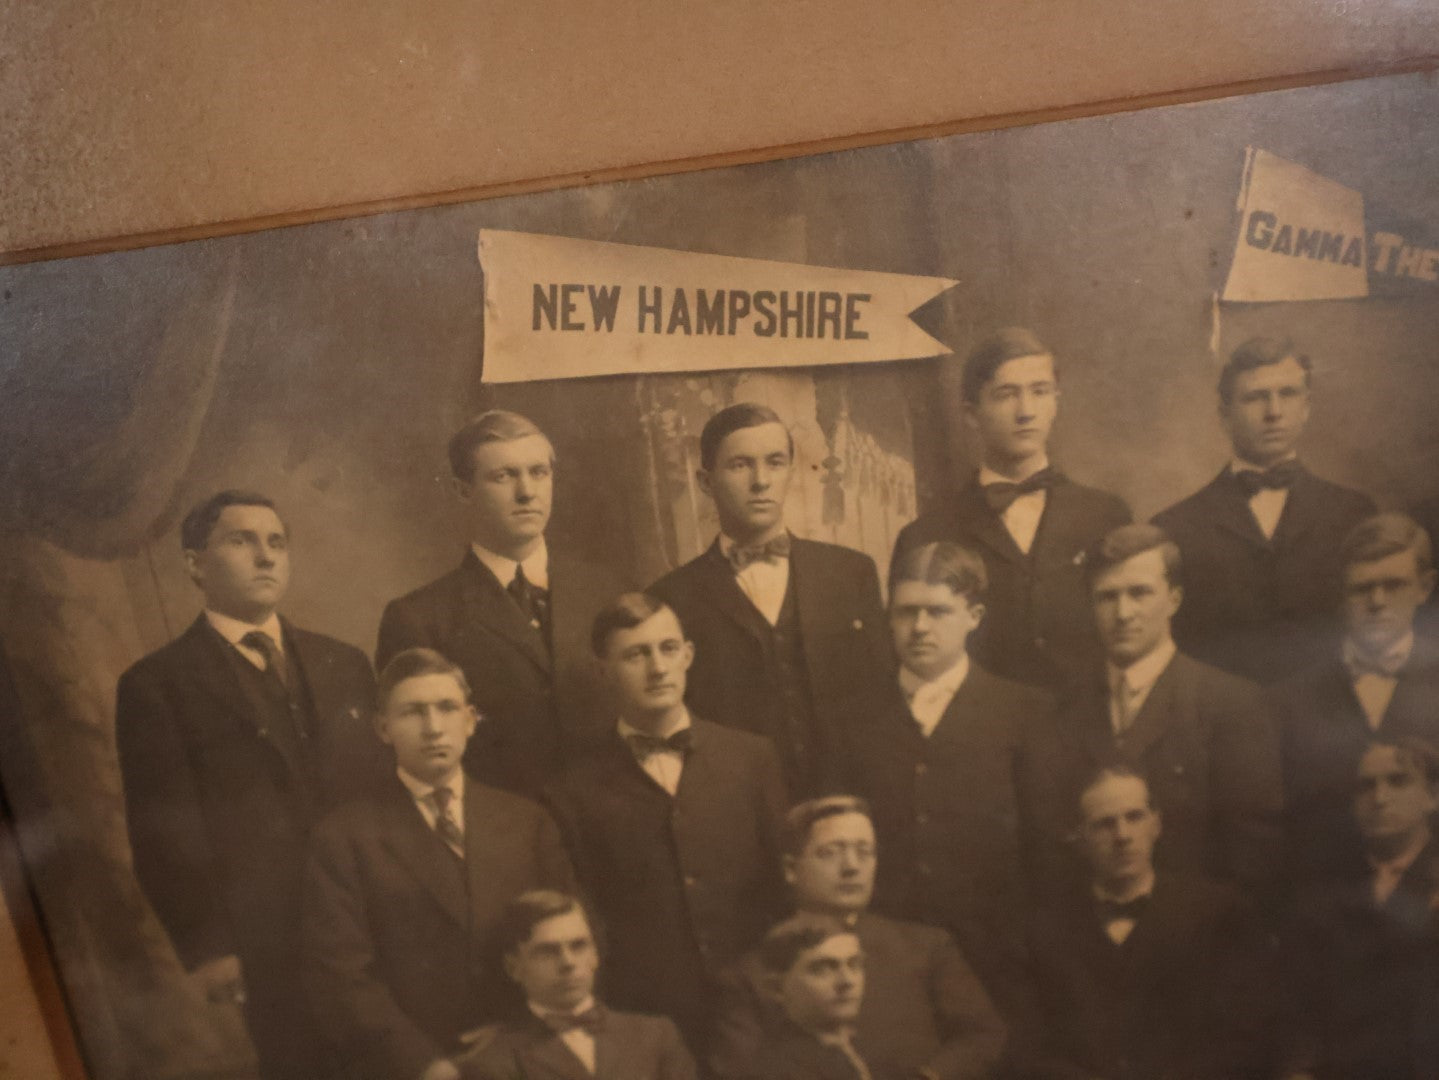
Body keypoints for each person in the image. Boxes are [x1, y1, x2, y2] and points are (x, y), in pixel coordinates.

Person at [115, 490, 385, 1080]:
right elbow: (162, 828)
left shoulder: (344, 662)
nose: (265, 557)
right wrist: (209, 946)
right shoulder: (157, 684)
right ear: (194, 564)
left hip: (374, 914)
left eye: (276, 543)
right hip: (268, 937)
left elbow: (383, 793)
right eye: (241, 541)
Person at [302, 648, 576, 1080]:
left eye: (446, 708)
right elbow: (342, 978)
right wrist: (426, 1064)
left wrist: (522, 1032)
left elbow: (573, 939)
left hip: (528, 1051)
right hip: (412, 1066)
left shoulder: (527, 821)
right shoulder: (343, 838)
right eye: (412, 712)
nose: (433, 728)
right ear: (382, 728)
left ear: (470, 719)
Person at [544, 593, 789, 1053]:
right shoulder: (571, 793)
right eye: (636, 655)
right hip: (648, 1019)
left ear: (688, 655)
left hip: (761, 1008)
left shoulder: (751, 759)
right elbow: (587, 921)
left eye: (668, 649)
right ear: (603, 672)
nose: (658, 668)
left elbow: (785, 886)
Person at [840, 541, 1053, 1016]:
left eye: (938, 612)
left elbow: (1047, 849)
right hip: (892, 965)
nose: (919, 628)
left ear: (973, 615)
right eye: (905, 612)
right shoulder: (854, 722)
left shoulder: (1026, 714)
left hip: (1000, 960)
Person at [377, 409, 628, 796]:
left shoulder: (609, 591)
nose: (527, 491)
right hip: (507, 837)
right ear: (464, 491)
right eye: (503, 476)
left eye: (538, 472)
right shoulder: (420, 618)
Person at [1026, 523, 1282, 898]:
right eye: (1107, 597)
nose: (1124, 613)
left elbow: (1252, 854)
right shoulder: (1061, 709)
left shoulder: (1231, 704)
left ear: (1174, 599)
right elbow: (1049, 848)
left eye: (1140, 593)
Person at [648, 402, 890, 796]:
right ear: (706, 482)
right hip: (738, 809)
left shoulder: (850, 574)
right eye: (740, 465)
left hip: (849, 805)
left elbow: (882, 704)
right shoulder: (671, 598)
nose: (761, 481)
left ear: (791, 471)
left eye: (775, 462)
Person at [892, 328, 1131, 690]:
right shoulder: (928, 535)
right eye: (1006, 395)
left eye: (1040, 392)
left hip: (1087, 733)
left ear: (1056, 402)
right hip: (982, 735)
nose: (1026, 412)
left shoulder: (1106, 516)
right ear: (972, 415)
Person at [711, 796, 1006, 1080]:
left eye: (864, 852)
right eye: (831, 853)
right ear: (791, 869)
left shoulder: (927, 949)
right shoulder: (750, 976)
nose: (852, 867)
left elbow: (983, 1035)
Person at [1015, 766, 1272, 1080]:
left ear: (1156, 824)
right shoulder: (1046, 930)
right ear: (1081, 839)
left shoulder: (1218, 913)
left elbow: (1246, 1038)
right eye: (1104, 825)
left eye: (1134, 817)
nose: (1122, 836)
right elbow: (1030, 1048)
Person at [1153, 336, 1376, 684]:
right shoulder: (1176, 527)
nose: (1274, 412)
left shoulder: (1353, 514)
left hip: (1328, 723)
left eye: (1287, 394)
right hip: (1221, 726)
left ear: (1306, 406)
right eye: (1255, 398)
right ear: (1224, 415)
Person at [1276, 513, 1439, 886]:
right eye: (1361, 589)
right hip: (1323, 913)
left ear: (1425, 588)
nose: (1377, 602)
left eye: (1394, 585)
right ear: (1341, 594)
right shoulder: (1286, 703)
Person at [1281, 738, 1439, 1079]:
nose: (1380, 798)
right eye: (1366, 786)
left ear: (1432, 796)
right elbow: (1302, 1007)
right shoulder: (1321, 894)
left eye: (1398, 781)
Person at [457, 890, 698, 1080]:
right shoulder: (493, 1063)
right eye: (547, 952)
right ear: (514, 968)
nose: (568, 962)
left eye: (579, 946)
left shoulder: (656, 1036)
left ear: (595, 955)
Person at [741, 914, 879, 1080]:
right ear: (776, 988)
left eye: (854, 965)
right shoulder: (775, 1070)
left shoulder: (873, 1051)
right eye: (822, 969)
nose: (847, 981)